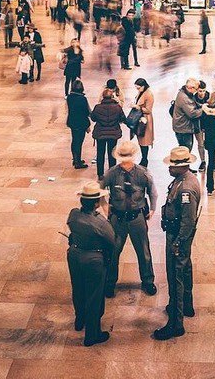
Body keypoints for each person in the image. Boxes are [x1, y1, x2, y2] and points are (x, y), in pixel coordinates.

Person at [153, 146, 201, 341]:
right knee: (185, 270)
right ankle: (186, 305)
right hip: (178, 235)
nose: (169, 168)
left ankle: (175, 323)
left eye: (172, 166)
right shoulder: (182, 180)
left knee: (176, 277)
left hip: (178, 237)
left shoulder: (186, 189)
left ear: (182, 167)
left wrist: (178, 242)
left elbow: (188, 221)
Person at [101, 140, 158, 297]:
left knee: (143, 251)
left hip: (136, 217)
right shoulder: (112, 173)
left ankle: (148, 281)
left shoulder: (142, 173)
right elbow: (100, 189)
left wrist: (152, 208)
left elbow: (152, 191)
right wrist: (105, 206)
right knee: (113, 252)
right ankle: (110, 282)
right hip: (117, 218)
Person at [66, 180, 116, 347]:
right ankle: (92, 335)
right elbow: (112, 241)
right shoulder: (100, 222)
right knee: (94, 296)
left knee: (78, 289)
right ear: (96, 203)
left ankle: (79, 320)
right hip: (93, 260)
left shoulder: (73, 214)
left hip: (74, 255)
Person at [90, 88, 126, 179]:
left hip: (100, 133)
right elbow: (122, 118)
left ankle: (100, 174)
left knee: (100, 153)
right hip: (113, 133)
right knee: (112, 154)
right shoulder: (117, 107)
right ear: (112, 96)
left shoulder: (97, 107)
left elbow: (93, 118)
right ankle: (112, 173)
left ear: (103, 97)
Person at [171, 78, 203, 151]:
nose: (197, 91)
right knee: (186, 150)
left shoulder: (184, 92)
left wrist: (201, 105)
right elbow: (192, 114)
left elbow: (192, 103)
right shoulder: (184, 98)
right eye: (196, 89)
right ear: (191, 88)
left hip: (181, 127)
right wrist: (203, 110)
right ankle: (185, 162)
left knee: (183, 149)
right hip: (184, 129)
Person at [66, 79, 91, 169]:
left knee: (74, 140)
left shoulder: (69, 97)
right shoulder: (82, 99)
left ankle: (75, 159)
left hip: (72, 121)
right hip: (81, 123)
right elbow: (86, 112)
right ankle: (78, 162)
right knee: (79, 142)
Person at [133, 77, 154, 166]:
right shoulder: (141, 92)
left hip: (145, 120)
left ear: (143, 86)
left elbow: (148, 110)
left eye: (138, 88)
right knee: (141, 139)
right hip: (140, 118)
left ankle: (144, 159)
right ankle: (144, 158)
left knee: (144, 140)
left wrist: (138, 107)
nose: (137, 89)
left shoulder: (149, 94)